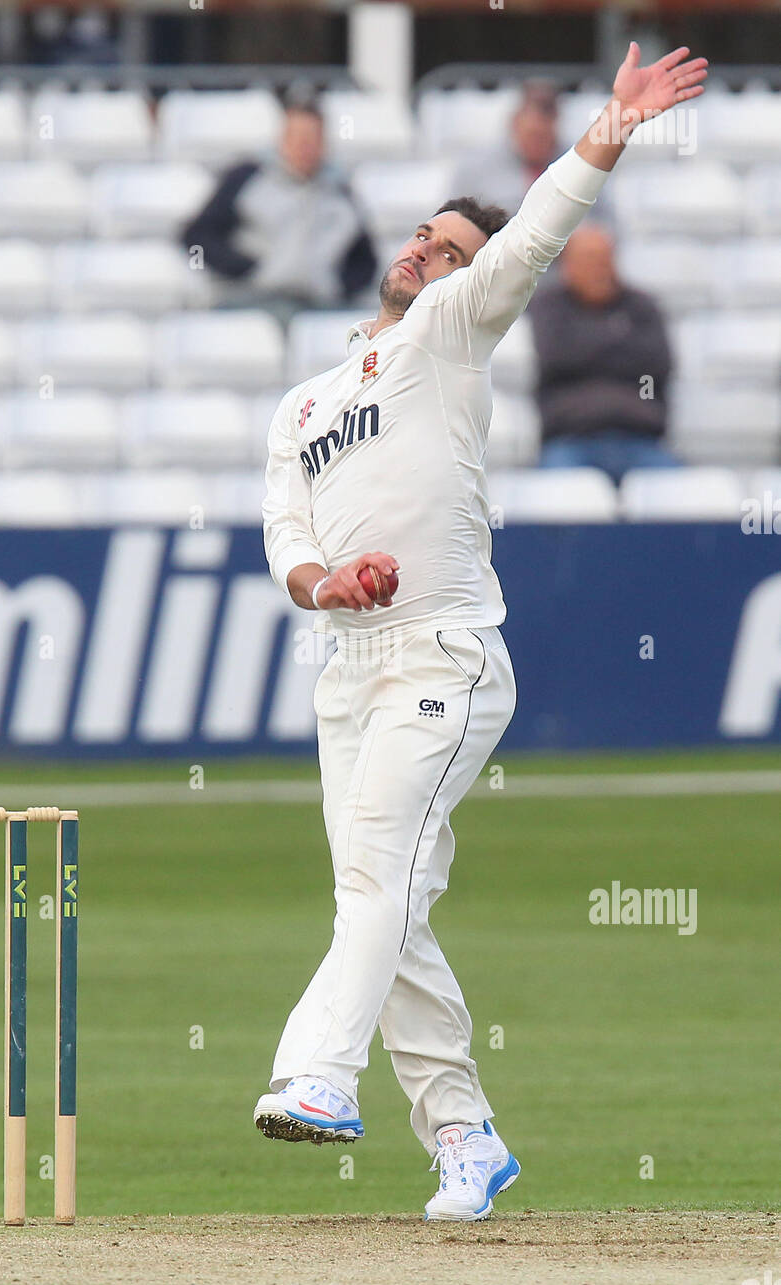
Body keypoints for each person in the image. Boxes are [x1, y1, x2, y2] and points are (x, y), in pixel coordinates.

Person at [256, 43, 707, 1221]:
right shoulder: (303, 401)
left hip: (443, 657)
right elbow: (283, 534)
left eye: (449, 249)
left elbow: (532, 236)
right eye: (422, 237)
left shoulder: (452, 331)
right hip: (348, 671)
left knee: (374, 881)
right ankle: (465, 1135)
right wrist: (327, 584)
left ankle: (314, 1074)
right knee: (383, 902)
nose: (425, 252)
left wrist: (608, 127)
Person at [180, 99, 376, 322]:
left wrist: (337, 284)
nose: (304, 146)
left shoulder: (340, 192)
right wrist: (249, 269)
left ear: (324, 143)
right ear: (281, 139)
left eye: (312, 138)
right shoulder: (247, 178)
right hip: (254, 301)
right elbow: (198, 236)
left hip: (321, 305)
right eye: (297, 137)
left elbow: (365, 261)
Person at [529, 224, 679, 480]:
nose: (598, 269)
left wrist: (588, 345)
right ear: (567, 266)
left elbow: (657, 363)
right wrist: (618, 339)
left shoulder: (642, 306)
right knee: (556, 503)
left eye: (604, 259)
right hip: (570, 440)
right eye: (588, 259)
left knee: (682, 499)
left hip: (641, 438)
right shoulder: (548, 306)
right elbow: (557, 357)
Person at [452, 82, 562, 217]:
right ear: (514, 125)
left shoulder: (574, 165)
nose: (536, 144)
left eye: (543, 137)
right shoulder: (475, 167)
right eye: (532, 135)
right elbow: (452, 219)